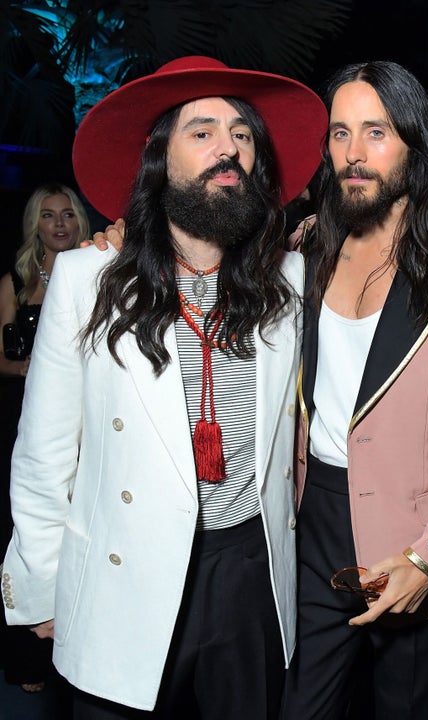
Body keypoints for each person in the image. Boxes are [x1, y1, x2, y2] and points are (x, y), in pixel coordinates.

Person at [2, 55, 326, 717]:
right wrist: (39, 589)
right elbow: (43, 455)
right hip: (128, 569)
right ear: (159, 157)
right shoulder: (87, 281)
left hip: (248, 570)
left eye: (241, 134)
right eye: (202, 131)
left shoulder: (290, 283)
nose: (228, 148)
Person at [281, 60, 428, 720]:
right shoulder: (306, 248)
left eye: (376, 132)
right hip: (313, 518)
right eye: (340, 133)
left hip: (412, 532)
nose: (354, 154)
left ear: (416, 143)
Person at [0, 183, 89, 695]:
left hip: (75, 420)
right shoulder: (14, 282)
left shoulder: (95, 273)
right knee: (24, 528)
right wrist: (29, 368)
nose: (59, 224)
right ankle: (27, 656)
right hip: (18, 414)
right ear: (35, 223)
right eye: (49, 216)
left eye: (68, 215)